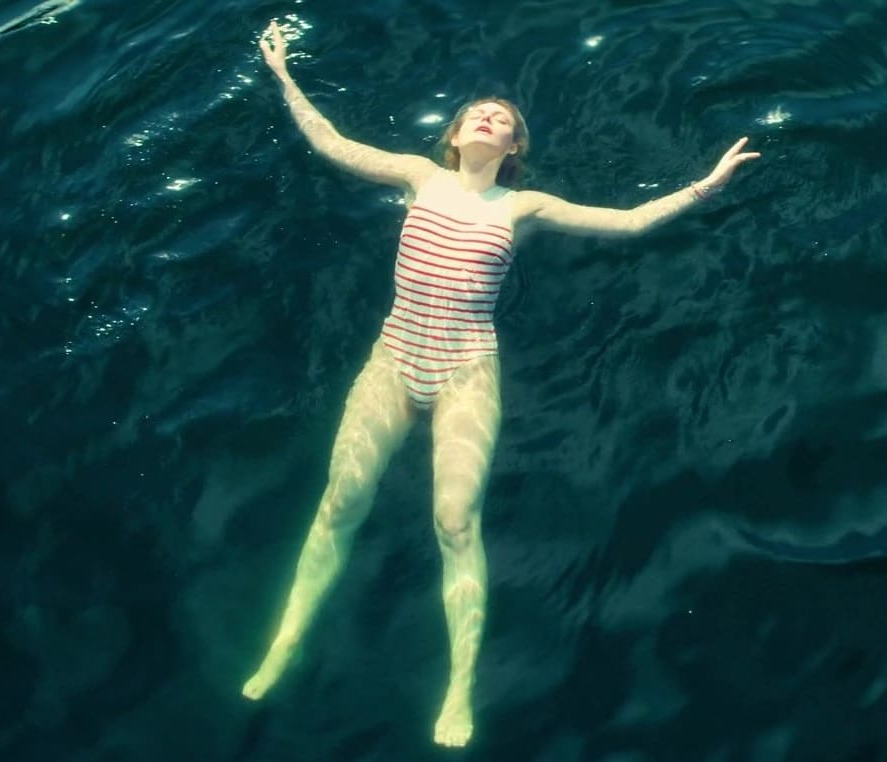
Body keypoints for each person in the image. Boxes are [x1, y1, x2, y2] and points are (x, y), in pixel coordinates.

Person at [242, 19, 760, 748]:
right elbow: (331, 142)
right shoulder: (418, 176)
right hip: (394, 358)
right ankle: (286, 641)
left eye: (505, 120)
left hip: (464, 369)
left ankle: (458, 689)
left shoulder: (524, 208)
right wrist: (283, 74)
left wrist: (707, 185)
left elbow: (630, 221)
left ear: (514, 148)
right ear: (455, 136)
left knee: (455, 520)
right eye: (479, 114)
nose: (491, 118)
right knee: (339, 501)